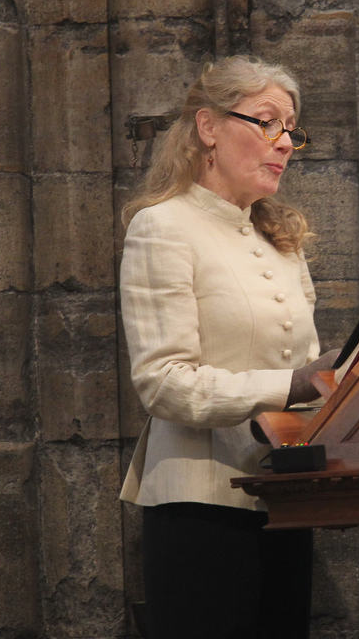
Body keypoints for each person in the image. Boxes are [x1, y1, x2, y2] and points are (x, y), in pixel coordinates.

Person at [118, 56, 337, 638]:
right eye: (267, 122)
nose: (285, 142)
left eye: (291, 128)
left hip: (284, 498)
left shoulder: (281, 242)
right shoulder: (163, 226)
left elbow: (305, 370)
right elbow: (162, 381)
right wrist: (292, 386)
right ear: (208, 128)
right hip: (200, 505)